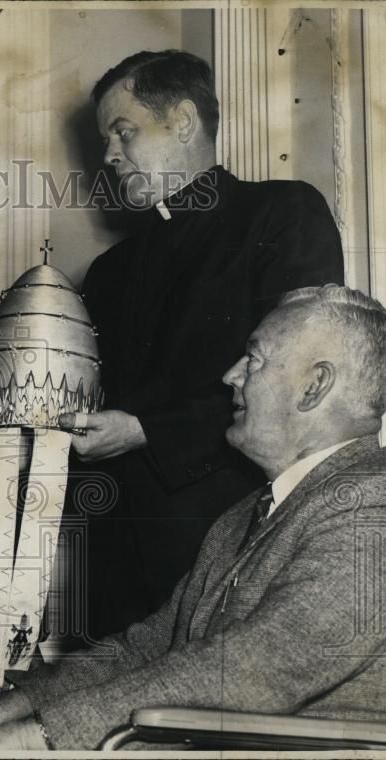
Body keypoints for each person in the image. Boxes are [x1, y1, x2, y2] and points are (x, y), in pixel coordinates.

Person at [0, 284, 386, 750]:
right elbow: (147, 647)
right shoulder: (246, 515)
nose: (231, 376)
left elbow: (261, 667)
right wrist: (3, 710)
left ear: (314, 386)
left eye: (255, 359)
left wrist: (36, 738)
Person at [60, 50, 346, 642]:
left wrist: (144, 430)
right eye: (106, 139)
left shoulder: (282, 214)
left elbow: (295, 381)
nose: (109, 155)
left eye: (123, 132)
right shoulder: (108, 270)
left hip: (232, 548)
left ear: (184, 122)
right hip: (112, 565)